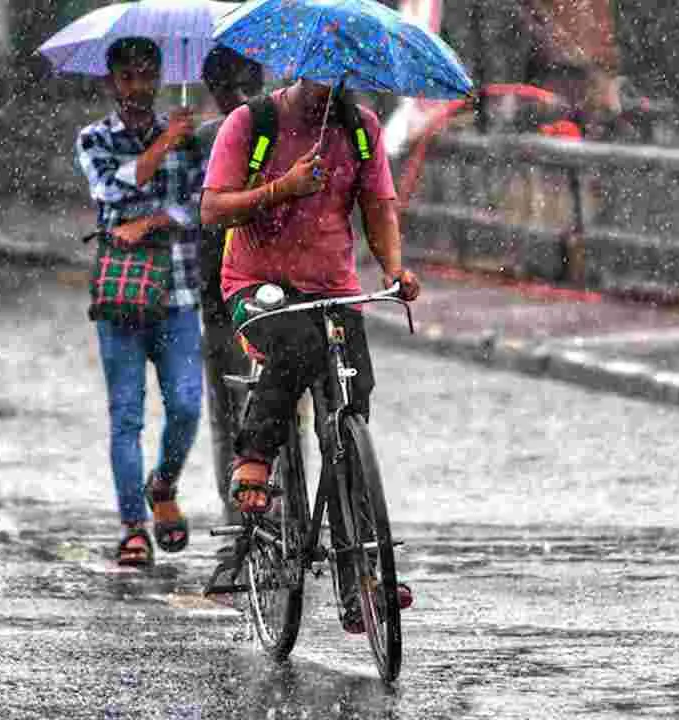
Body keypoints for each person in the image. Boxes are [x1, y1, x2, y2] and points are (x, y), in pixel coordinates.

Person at [201, 78, 421, 632]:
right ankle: (253, 456)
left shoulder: (361, 129)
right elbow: (212, 210)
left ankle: (362, 580)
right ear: (301, 69)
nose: (330, 89)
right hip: (257, 286)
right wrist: (282, 188)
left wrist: (394, 269)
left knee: (351, 406)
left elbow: (378, 207)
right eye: (321, 76)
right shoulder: (252, 125)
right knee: (296, 346)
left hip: (333, 288)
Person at [75, 37, 204, 567]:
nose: (139, 87)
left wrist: (152, 221)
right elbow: (112, 192)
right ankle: (133, 525)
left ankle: (163, 484)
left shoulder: (188, 140)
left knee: (187, 405)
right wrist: (161, 149)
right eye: (128, 77)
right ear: (111, 83)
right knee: (125, 415)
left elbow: (200, 206)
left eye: (147, 75)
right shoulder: (94, 138)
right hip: (122, 295)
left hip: (178, 292)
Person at [194, 47, 264, 536]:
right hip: (228, 295)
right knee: (238, 410)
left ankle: (258, 513)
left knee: (256, 409)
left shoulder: (274, 135)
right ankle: (244, 515)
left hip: (257, 290)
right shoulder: (199, 142)